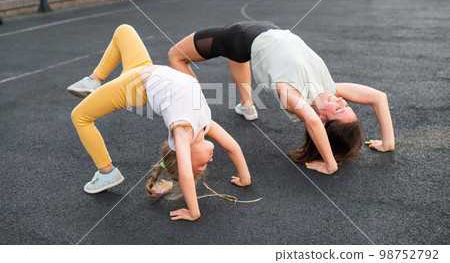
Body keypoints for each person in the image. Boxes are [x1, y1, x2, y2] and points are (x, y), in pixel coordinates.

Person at [68, 24, 251, 221]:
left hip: (135, 85)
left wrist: (194, 212)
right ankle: (93, 80)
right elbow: (232, 146)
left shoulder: (183, 132)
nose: (210, 162)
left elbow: (186, 176)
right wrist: (245, 178)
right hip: (145, 69)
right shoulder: (203, 124)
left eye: (201, 166)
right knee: (124, 30)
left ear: (187, 160)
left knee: (79, 117)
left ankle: (107, 172)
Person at [168, 21, 395, 175]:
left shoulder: (290, 96)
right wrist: (387, 143)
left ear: (323, 119)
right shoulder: (328, 89)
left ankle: (198, 117)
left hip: (243, 35)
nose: (341, 101)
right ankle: (247, 105)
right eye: (346, 105)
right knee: (237, 55)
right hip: (265, 32)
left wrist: (330, 165)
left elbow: (312, 121)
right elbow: (378, 97)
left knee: (176, 56)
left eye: (339, 109)